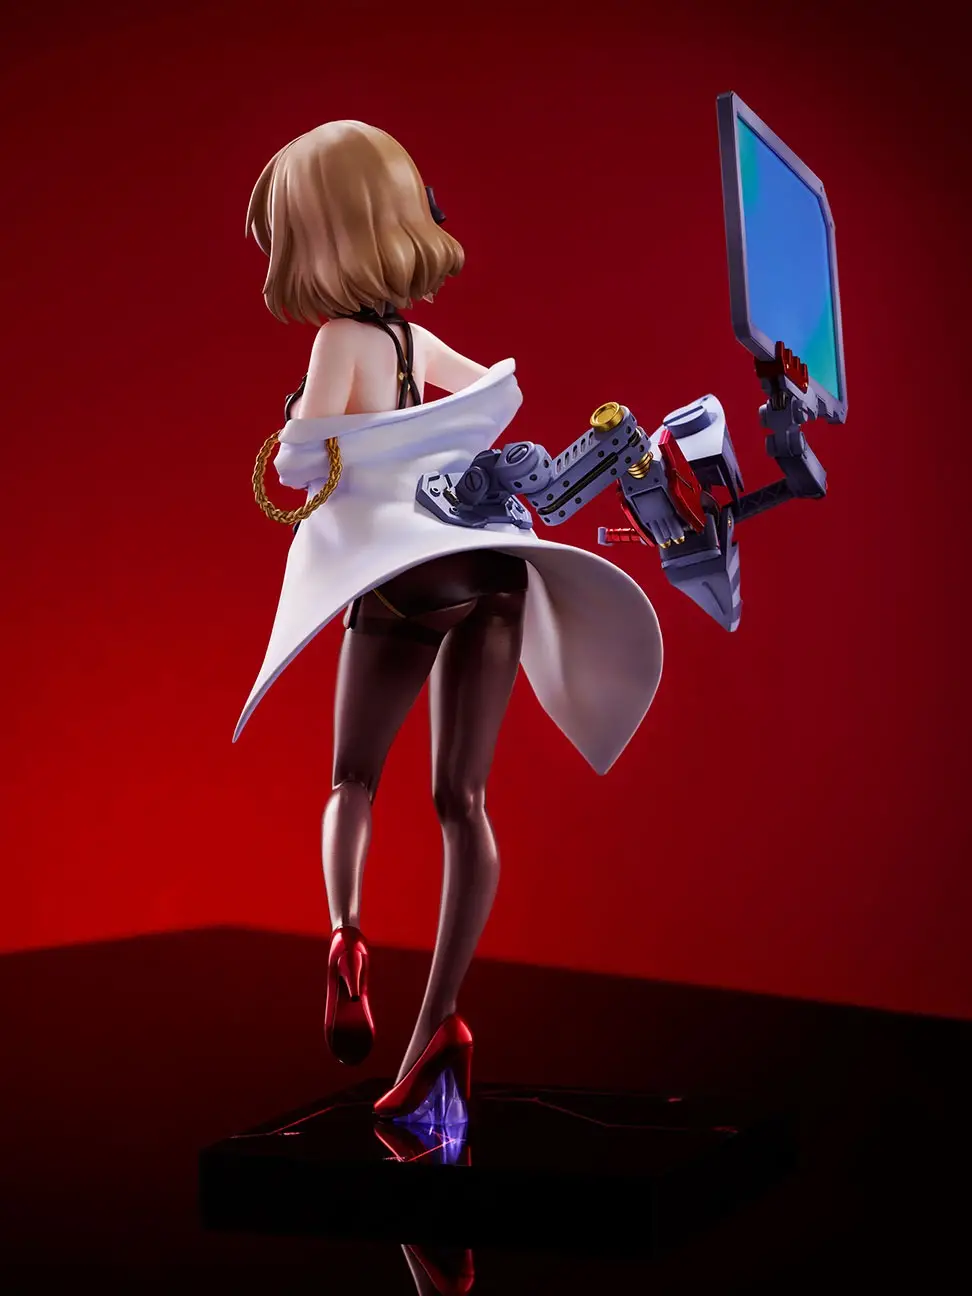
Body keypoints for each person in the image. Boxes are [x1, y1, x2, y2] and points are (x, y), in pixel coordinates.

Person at [237, 120, 663, 1120]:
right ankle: (440, 1027)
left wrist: (308, 421)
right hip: (492, 568)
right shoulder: (411, 340)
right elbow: (489, 395)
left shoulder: (339, 341)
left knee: (353, 779)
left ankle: (345, 935)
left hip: (401, 574)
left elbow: (298, 462)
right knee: (462, 801)